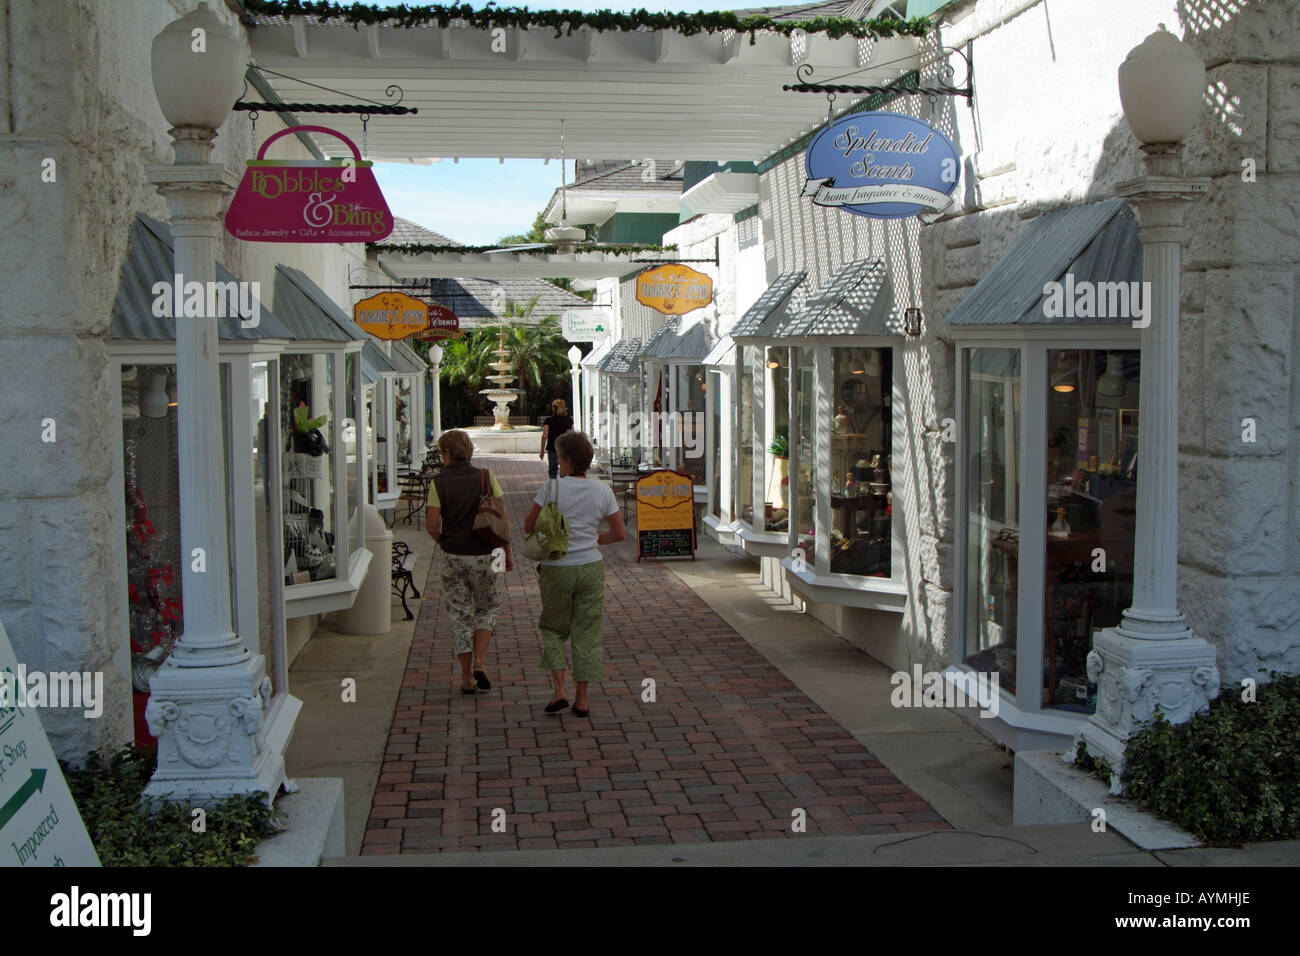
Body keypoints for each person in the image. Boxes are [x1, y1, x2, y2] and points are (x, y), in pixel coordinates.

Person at [523, 430, 625, 718]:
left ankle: (559, 691)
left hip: (556, 568)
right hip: (591, 567)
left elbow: (528, 525)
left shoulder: (551, 489)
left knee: (554, 629)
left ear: (565, 460)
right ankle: (582, 699)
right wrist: (591, 540)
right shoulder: (603, 490)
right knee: (588, 631)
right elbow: (619, 533)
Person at [426, 429, 513, 695]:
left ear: (448, 454)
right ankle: (481, 662)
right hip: (483, 555)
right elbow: (502, 520)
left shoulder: (438, 483)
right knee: (487, 607)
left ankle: (466, 678)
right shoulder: (486, 478)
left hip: (453, 556)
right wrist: (506, 553)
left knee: (460, 615)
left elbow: (431, 525)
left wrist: (444, 542)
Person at [539, 398, 574, 480]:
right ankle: (563, 489)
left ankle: (553, 489)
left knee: (552, 472)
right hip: (565, 449)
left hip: (552, 448)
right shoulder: (569, 420)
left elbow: (544, 436)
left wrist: (542, 450)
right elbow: (572, 435)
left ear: (553, 408)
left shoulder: (549, 420)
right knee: (565, 472)